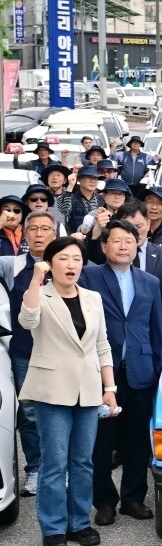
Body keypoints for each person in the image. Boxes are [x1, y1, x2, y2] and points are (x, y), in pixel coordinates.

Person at [17, 236, 116, 546]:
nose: (71, 264)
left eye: (76, 258)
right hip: (51, 390)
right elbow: (27, 320)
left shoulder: (92, 298)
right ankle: (54, 528)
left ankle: (79, 523)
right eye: (63, 258)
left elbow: (102, 345)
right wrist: (36, 278)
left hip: (88, 389)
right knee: (55, 463)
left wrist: (110, 389)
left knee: (83, 462)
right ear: (50, 263)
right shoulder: (40, 294)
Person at [80, 220, 162, 527]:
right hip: (102, 373)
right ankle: (104, 502)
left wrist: (157, 368)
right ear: (104, 247)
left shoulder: (150, 282)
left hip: (140, 371)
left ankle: (133, 498)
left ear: (137, 246)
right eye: (116, 241)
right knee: (101, 443)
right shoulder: (89, 276)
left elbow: (156, 329)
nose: (123, 246)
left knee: (137, 441)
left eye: (129, 241)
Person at [0, 210, 58, 497]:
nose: (38, 234)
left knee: (63, 409)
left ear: (55, 233)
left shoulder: (67, 263)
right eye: (32, 228)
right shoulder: (12, 265)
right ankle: (35, 469)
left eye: (45, 228)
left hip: (61, 351)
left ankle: (61, 469)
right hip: (25, 352)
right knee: (31, 413)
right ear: (24, 233)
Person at [107, 202, 162, 311]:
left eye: (138, 226)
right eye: (128, 227)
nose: (134, 231)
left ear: (148, 224)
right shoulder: (111, 251)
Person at [64, 165, 104, 234]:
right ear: (79, 179)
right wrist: (70, 185)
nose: (92, 181)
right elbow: (63, 213)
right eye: (89, 177)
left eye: (95, 178)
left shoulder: (102, 200)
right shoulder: (71, 199)